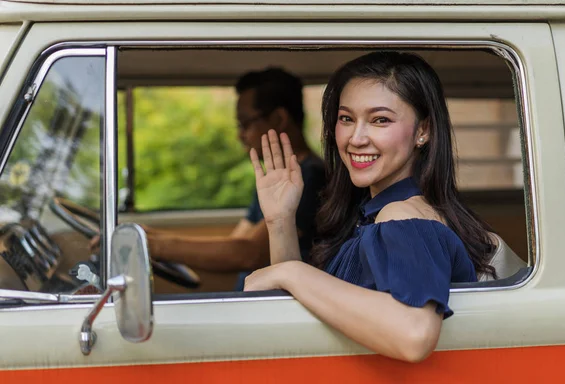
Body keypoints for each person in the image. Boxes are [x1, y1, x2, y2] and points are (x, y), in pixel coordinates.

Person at [243, 52, 496, 362]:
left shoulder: (403, 217)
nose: (356, 138)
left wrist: (292, 273)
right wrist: (281, 221)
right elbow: (303, 311)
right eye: (346, 118)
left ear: (423, 131)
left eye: (380, 120)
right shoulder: (374, 214)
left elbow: (414, 336)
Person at [145, 68, 325, 278]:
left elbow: (249, 253)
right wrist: (149, 236)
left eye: (245, 123)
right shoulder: (275, 179)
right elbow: (237, 243)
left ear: (278, 118)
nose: (240, 135)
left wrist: (157, 246)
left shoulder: (310, 178)